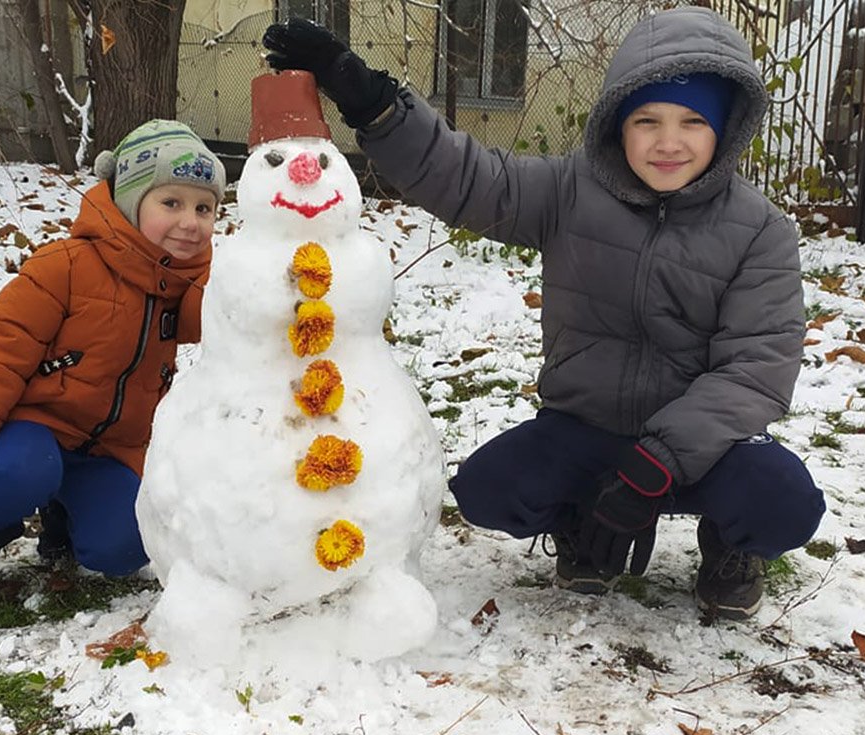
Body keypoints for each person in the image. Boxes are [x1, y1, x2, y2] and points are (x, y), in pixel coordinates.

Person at [262, 7, 826, 620]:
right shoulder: (570, 192)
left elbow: (755, 369)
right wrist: (368, 98)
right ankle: (584, 523)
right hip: (588, 427)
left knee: (783, 500)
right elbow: (466, 178)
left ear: (726, 129)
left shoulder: (760, 232)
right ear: (618, 124)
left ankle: (731, 547)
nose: (669, 141)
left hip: (703, 448)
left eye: (693, 121)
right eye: (648, 120)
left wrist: (656, 466)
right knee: (489, 489)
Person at [0, 119, 225, 622]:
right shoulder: (62, 267)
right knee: (26, 471)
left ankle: (62, 512)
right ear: (129, 201)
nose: (190, 222)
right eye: (170, 203)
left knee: (126, 548)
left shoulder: (190, 284)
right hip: (38, 426)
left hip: (113, 445)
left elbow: (220, 321)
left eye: (204, 208)